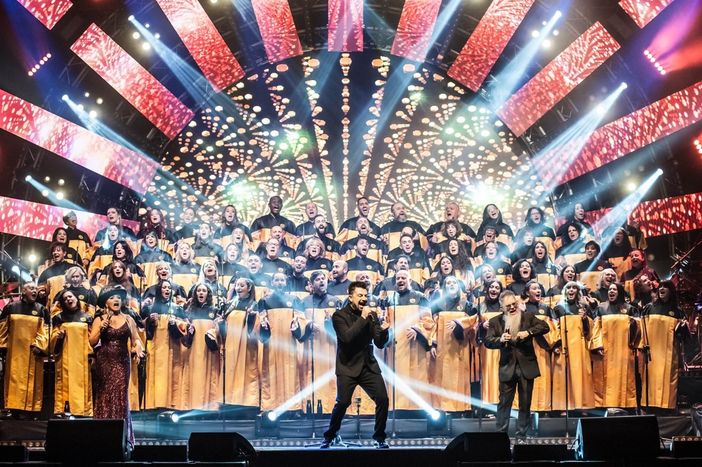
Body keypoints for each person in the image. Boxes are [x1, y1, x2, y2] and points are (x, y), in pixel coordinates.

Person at [321, 281, 390, 449]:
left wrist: (384, 330)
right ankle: (330, 436)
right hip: (347, 366)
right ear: (350, 296)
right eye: (360, 295)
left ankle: (379, 438)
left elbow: (379, 343)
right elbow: (347, 338)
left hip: (368, 366)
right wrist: (363, 318)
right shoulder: (339, 316)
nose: (363, 299)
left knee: (383, 399)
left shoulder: (371, 315)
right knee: (343, 402)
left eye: (366, 295)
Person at [484, 290, 549, 438]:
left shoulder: (528, 317)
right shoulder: (495, 322)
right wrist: (500, 339)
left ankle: (522, 436)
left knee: (525, 403)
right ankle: (501, 436)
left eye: (514, 304)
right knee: (504, 403)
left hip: (526, 366)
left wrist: (529, 332)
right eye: (508, 306)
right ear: (502, 307)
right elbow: (488, 341)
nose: (512, 307)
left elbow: (545, 327)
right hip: (507, 367)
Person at [89, 286, 144, 450]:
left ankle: (122, 437)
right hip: (104, 361)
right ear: (106, 302)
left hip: (122, 361)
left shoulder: (128, 319)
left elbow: (136, 339)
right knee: (105, 395)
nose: (116, 300)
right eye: (112, 297)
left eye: (118, 298)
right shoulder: (99, 319)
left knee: (120, 395)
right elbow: (92, 342)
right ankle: (102, 436)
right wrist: (101, 327)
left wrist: (138, 347)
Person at [384, 270, 434, 410]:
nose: (400, 280)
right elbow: (386, 321)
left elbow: (428, 320)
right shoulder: (390, 299)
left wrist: (417, 329)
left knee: (416, 376)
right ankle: (397, 407)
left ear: (410, 281)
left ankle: (416, 408)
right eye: (398, 278)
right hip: (396, 346)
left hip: (415, 345)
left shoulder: (420, 297)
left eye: (403, 278)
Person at [0, 282, 49, 414]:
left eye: (36, 289)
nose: (35, 291)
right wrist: (3, 347)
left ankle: (31, 410)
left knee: (33, 381)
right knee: (14, 379)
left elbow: (45, 330)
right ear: (23, 291)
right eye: (31, 288)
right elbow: (3, 329)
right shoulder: (11, 308)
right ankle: (14, 409)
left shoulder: (42, 310)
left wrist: (39, 345)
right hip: (14, 352)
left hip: (33, 352)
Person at [430, 276, 477, 412]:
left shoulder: (467, 305)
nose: (451, 285)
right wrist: (433, 344)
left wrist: (460, 323)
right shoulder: (437, 305)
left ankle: (461, 407)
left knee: (460, 377)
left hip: (461, 347)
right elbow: (433, 325)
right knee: (441, 377)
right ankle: (442, 407)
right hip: (442, 347)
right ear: (444, 287)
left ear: (458, 286)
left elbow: (473, 321)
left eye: (454, 282)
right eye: (448, 283)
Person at [140, 279, 189, 410]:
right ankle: (154, 403)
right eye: (164, 287)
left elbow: (186, 325)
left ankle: (172, 403)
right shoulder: (150, 308)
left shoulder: (177, 308)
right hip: (156, 347)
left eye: (169, 288)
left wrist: (176, 322)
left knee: (173, 374)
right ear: (159, 290)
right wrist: (150, 320)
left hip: (173, 347)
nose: (167, 290)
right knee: (156, 375)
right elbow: (142, 327)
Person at [639, 280, 688, 410]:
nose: (661, 288)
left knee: (667, 380)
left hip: (669, 353)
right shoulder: (649, 308)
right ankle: (649, 405)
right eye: (660, 286)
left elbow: (683, 337)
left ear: (671, 291)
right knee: (651, 379)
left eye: (665, 287)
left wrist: (683, 327)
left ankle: (667, 407)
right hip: (652, 353)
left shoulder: (678, 312)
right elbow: (642, 329)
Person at [590, 283, 638, 410]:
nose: (611, 291)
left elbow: (638, 329)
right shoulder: (601, 308)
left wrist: (633, 324)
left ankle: (625, 404)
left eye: (614, 289)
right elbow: (596, 329)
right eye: (610, 289)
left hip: (624, 349)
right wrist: (598, 346)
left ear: (620, 292)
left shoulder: (629, 309)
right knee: (603, 378)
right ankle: (603, 404)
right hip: (605, 350)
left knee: (625, 377)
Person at [300, 272, 341, 413]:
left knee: (331, 374)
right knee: (311, 374)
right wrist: (308, 324)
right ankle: (310, 408)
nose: (321, 281)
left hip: (330, 346)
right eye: (317, 279)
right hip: (311, 346)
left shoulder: (335, 301)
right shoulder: (305, 302)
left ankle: (331, 407)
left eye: (323, 278)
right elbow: (299, 321)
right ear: (311, 284)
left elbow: (343, 326)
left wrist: (331, 322)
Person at [551, 281, 596, 411]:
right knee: (563, 375)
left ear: (577, 291)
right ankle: (564, 407)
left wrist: (585, 319)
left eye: (574, 288)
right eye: (569, 288)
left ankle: (582, 406)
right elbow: (554, 328)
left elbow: (590, 330)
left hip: (580, 346)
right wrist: (556, 344)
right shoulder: (558, 308)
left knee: (581, 376)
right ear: (565, 291)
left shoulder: (584, 307)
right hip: (564, 345)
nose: (571, 290)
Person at [219, 278, 261, 408]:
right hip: (230, 342)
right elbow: (222, 324)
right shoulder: (229, 304)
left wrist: (251, 317)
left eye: (242, 285)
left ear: (249, 288)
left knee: (246, 372)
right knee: (229, 370)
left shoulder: (254, 305)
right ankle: (228, 401)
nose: (238, 288)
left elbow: (255, 328)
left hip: (246, 344)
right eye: (237, 285)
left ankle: (245, 403)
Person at [51, 289, 93, 416]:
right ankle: (64, 411)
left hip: (82, 359)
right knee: (65, 385)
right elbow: (53, 339)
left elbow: (91, 339)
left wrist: (91, 355)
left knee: (83, 385)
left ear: (76, 298)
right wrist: (59, 337)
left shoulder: (87, 317)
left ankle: (83, 411)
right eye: (65, 299)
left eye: (70, 296)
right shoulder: (58, 318)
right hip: (65, 357)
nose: (68, 299)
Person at [183, 283, 222, 410]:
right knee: (195, 375)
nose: (201, 292)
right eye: (198, 290)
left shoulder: (214, 310)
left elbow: (219, 331)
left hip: (208, 349)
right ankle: (193, 405)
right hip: (194, 348)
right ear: (195, 294)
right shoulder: (190, 311)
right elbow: (185, 332)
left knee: (210, 375)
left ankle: (210, 406)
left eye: (204, 290)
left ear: (208, 294)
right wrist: (189, 330)